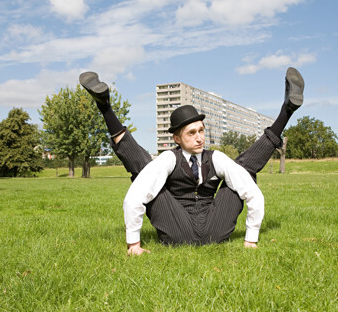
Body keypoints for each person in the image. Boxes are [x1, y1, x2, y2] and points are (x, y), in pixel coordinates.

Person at [79, 68, 304, 255]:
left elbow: (252, 192)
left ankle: (287, 110)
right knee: (146, 173)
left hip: (216, 230)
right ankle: (104, 105)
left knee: (241, 173)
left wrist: (251, 239)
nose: (199, 137)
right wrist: (134, 244)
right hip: (177, 230)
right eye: (191, 133)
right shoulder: (169, 158)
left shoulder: (215, 157)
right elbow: (135, 197)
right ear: (176, 138)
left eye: (201, 130)